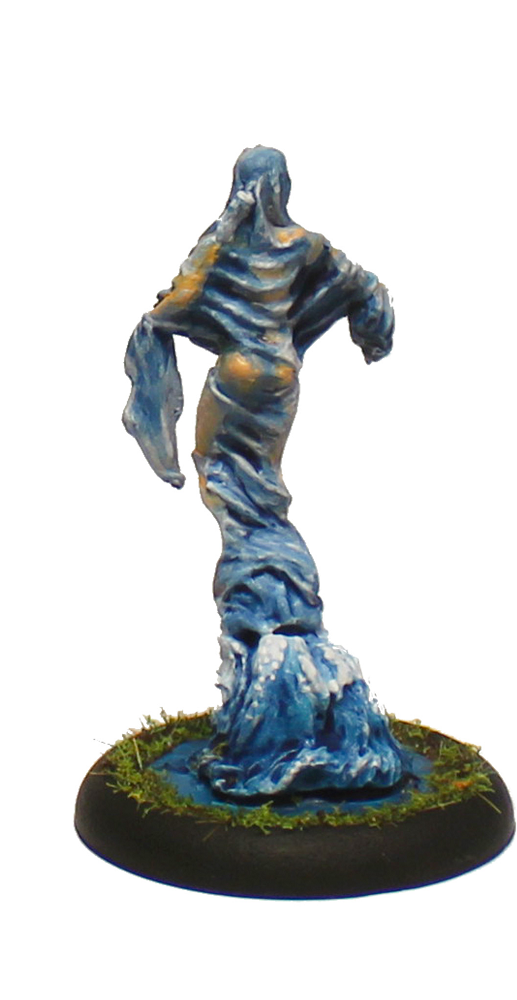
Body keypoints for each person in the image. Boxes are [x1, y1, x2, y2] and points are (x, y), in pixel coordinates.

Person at [123, 146, 405, 798]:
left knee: (223, 479)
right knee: (264, 491)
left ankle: (266, 596)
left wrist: (174, 307)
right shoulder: (305, 245)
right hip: (281, 374)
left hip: (238, 372)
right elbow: (361, 283)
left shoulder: (225, 246)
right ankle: (280, 596)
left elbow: (177, 299)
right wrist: (369, 324)